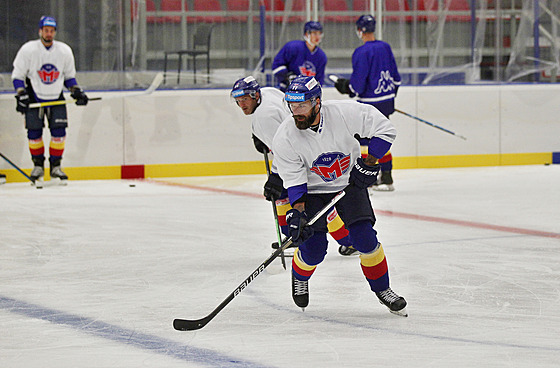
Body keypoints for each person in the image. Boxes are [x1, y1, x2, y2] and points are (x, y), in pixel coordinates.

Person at [272, 76, 407, 316]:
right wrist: (298, 212)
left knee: (365, 240)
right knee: (313, 250)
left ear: (317, 102)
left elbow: (386, 130)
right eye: (292, 106)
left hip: (349, 183)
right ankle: (300, 276)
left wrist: (369, 162)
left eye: (302, 105)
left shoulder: (346, 113)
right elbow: (294, 180)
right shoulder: (285, 136)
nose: (296, 112)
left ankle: (383, 289)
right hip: (312, 191)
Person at [230, 76, 358, 256]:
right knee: (317, 205)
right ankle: (346, 240)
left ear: (255, 95)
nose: (242, 104)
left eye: (245, 99)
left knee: (300, 201)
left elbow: (283, 149)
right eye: (238, 101)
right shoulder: (268, 93)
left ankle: (295, 238)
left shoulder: (262, 117)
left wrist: (275, 176)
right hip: (307, 152)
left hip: (299, 161)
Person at [11, 15, 89, 184]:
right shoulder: (28, 50)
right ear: (40, 31)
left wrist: (76, 91)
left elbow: (69, 77)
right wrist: (21, 93)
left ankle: (55, 168)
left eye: (52, 31)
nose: (49, 34)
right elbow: (18, 75)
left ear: (55, 32)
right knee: (34, 135)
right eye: (46, 30)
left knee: (59, 134)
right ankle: (38, 166)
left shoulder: (64, 51)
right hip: (35, 97)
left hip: (56, 97)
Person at [334, 15, 401, 192]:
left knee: (365, 142)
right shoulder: (385, 47)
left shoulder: (361, 52)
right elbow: (396, 79)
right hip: (386, 102)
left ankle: (367, 181)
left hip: (370, 104)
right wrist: (389, 98)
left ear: (360, 30)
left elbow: (357, 86)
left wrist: (345, 87)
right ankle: (386, 177)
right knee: (382, 137)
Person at [272, 21, 327, 92]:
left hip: (307, 96)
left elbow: (319, 81)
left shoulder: (321, 56)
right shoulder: (292, 47)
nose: (318, 37)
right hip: (287, 91)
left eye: (319, 33)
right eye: (314, 33)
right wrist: (287, 76)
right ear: (307, 34)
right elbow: (276, 66)